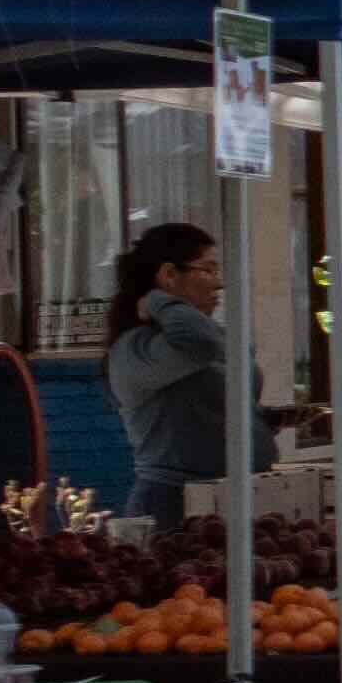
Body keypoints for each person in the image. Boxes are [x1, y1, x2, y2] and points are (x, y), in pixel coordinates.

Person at [106, 221, 243, 524]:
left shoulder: (202, 336)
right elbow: (200, 343)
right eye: (207, 270)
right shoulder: (138, 348)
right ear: (169, 275)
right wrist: (156, 299)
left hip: (229, 497)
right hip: (174, 504)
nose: (218, 283)